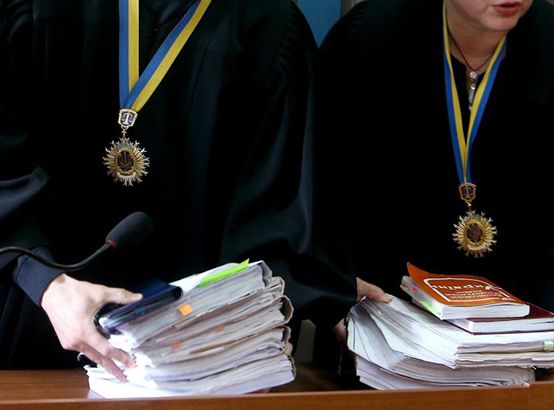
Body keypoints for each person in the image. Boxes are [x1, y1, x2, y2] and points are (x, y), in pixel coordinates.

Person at [0, 0, 355, 381]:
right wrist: (46, 284)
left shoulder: (270, 27)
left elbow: (279, 213)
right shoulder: (29, 6)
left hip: (193, 352)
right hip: (33, 322)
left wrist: (295, 302)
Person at [316, 0, 554, 380]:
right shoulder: (366, 41)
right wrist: (336, 289)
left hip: (535, 338)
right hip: (390, 330)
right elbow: (319, 195)